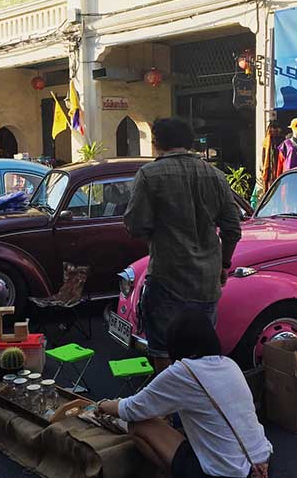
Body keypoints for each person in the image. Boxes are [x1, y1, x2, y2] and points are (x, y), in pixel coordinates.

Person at [124, 118, 242, 373]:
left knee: (163, 350)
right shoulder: (215, 175)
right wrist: (223, 264)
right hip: (206, 279)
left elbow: (135, 226)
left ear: (157, 143)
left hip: (167, 276)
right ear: (188, 143)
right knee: (202, 350)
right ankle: (196, 404)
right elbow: (233, 229)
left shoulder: (149, 175)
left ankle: (168, 408)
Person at [97, 313, 273, 478]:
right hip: (260, 464)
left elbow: (130, 409)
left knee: (138, 425)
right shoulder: (228, 363)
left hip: (225, 472)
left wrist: (101, 405)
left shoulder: (183, 372)